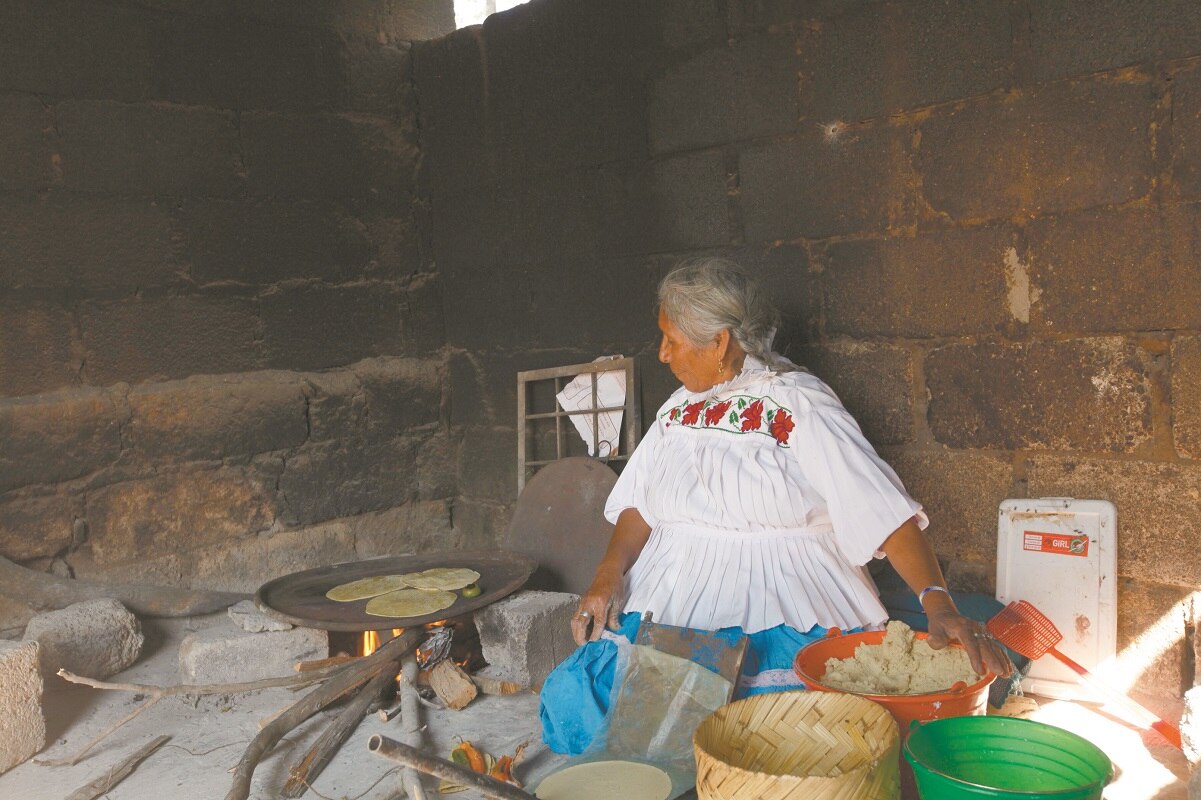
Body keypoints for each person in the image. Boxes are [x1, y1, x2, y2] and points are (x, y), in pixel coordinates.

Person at [539, 257, 1012, 755]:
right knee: (578, 704)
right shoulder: (678, 409)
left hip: (781, 598)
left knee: (775, 736)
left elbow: (880, 508)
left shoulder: (796, 406)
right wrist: (607, 574)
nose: (661, 354)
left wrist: (937, 601)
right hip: (670, 595)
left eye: (672, 340)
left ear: (719, 342)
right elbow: (641, 501)